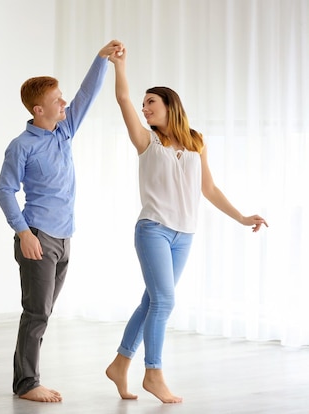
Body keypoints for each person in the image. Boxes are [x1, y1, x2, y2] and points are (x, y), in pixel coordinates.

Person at [104, 48, 268, 403]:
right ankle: (154, 374)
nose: (145, 109)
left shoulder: (196, 142)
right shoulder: (147, 141)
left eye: (151, 103)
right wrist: (120, 65)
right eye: (144, 104)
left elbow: (208, 188)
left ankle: (119, 364)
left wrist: (241, 217)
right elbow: (122, 98)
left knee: (152, 301)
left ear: (169, 105)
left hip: (185, 234)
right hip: (153, 229)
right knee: (164, 301)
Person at [0, 40, 124, 403]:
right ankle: (27, 384)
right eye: (57, 99)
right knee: (36, 312)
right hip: (38, 236)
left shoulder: (64, 132)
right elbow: (4, 191)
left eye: (62, 97)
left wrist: (102, 60)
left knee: (44, 312)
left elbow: (87, 94)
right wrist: (23, 233)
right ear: (39, 109)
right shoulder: (22, 145)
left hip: (65, 237)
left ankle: (28, 378)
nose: (64, 103)